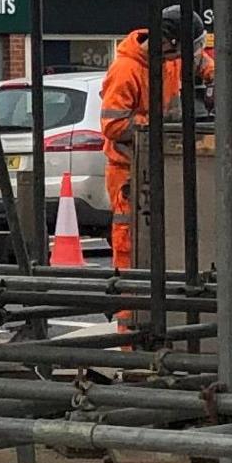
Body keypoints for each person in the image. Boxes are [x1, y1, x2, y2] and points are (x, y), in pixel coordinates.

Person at [95, 28, 157, 278]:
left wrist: (212, 79)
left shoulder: (174, 58)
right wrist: (158, 122)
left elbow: (202, 62)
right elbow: (113, 125)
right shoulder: (126, 70)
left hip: (155, 164)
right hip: (127, 168)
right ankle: (128, 312)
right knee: (128, 241)